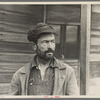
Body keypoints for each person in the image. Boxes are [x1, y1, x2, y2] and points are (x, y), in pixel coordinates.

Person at [9, 23, 79, 95]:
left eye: (52, 42)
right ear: (34, 46)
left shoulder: (67, 72)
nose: (50, 46)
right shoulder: (20, 75)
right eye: (45, 42)